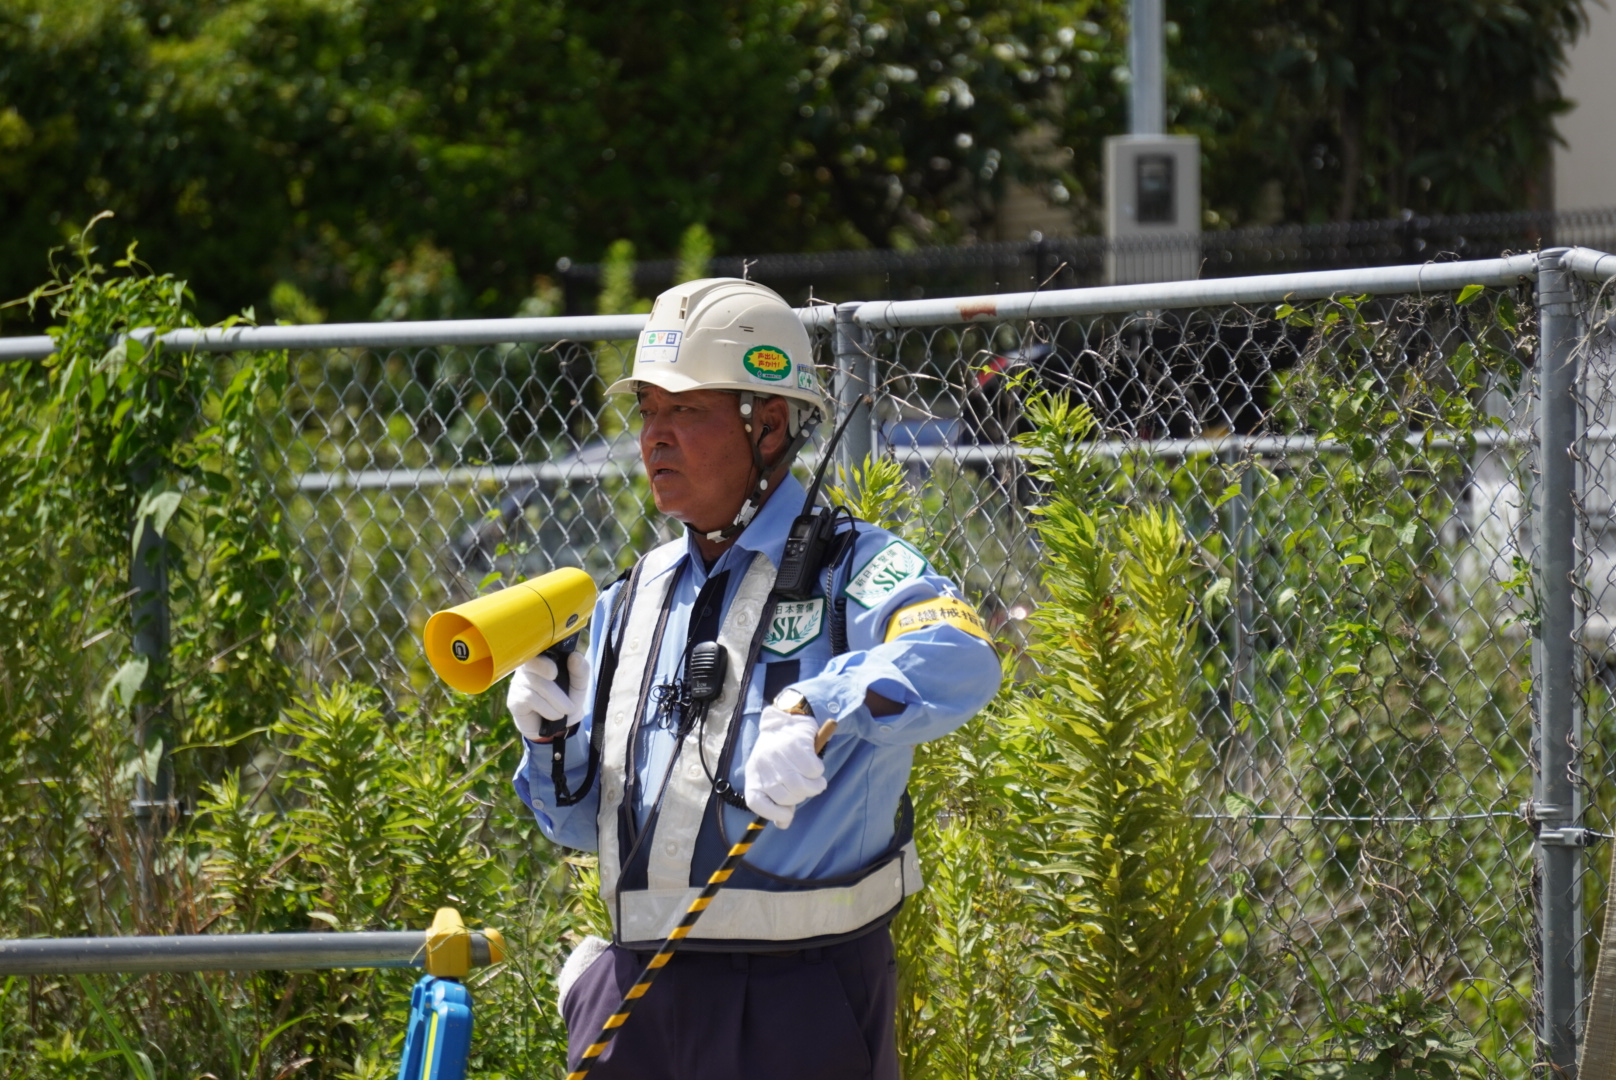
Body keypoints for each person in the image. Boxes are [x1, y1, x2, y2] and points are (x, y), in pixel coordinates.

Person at [509, 277, 1002, 1080]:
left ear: (769, 424)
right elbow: (572, 828)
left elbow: (963, 652)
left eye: (687, 412)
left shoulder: (855, 567)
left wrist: (817, 704)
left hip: (802, 1008)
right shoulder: (631, 598)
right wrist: (547, 737)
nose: (654, 439)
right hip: (636, 1000)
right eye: (648, 412)